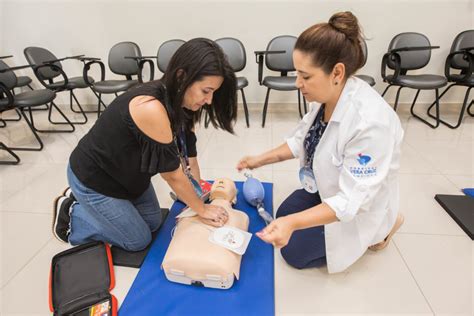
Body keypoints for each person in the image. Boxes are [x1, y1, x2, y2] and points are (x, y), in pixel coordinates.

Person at [237, 12, 404, 273]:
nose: (297, 84)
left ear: (337, 72)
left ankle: (382, 230)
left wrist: (293, 224)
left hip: (359, 204)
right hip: (328, 186)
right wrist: (259, 159)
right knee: (283, 214)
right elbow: (300, 140)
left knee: (293, 252)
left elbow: (352, 200)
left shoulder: (370, 124)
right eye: (297, 74)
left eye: (305, 76)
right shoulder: (328, 96)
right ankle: (310, 214)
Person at [52, 38, 237, 251]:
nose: (210, 100)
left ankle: (109, 212)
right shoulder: (150, 107)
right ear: (182, 76)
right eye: (206, 91)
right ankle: (72, 211)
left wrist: (199, 197)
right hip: (95, 179)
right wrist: (202, 211)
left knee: (153, 223)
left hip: (130, 176)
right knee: (137, 241)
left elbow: (189, 156)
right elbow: (172, 175)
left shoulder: (183, 102)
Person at [162, 178, 249, 287]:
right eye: (218, 183)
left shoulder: (241, 216)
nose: (220, 184)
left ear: (234, 198)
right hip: (214, 269)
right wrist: (200, 209)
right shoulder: (241, 217)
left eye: (225, 184)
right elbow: (176, 178)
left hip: (178, 264)